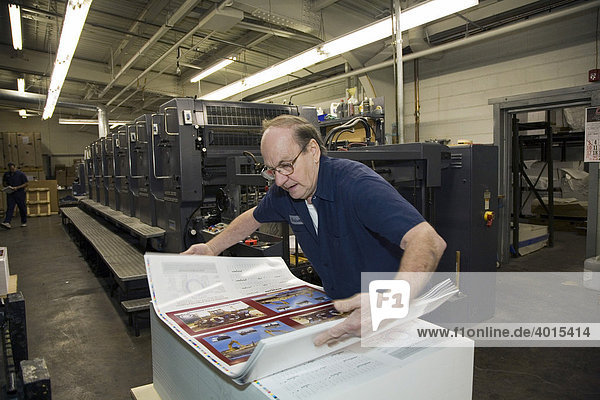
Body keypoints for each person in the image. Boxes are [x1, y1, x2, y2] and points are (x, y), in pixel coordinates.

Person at [183, 115, 446, 345]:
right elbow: (252, 218)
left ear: (313, 151)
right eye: (271, 170)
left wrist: (391, 303)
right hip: (342, 311)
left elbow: (428, 240)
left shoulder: (356, 184)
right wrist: (211, 247)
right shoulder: (285, 192)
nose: (279, 180)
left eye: (286, 165)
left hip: (391, 315)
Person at [2, 162, 28, 229]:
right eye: (10, 169)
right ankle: (7, 222)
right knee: (10, 207)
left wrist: (17, 187)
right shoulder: (7, 174)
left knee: (22, 208)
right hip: (11, 193)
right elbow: (4, 183)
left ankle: (24, 221)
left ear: (15, 167)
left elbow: (26, 183)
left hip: (20, 193)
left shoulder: (21, 174)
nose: (12, 170)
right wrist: (7, 187)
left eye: (13, 169)